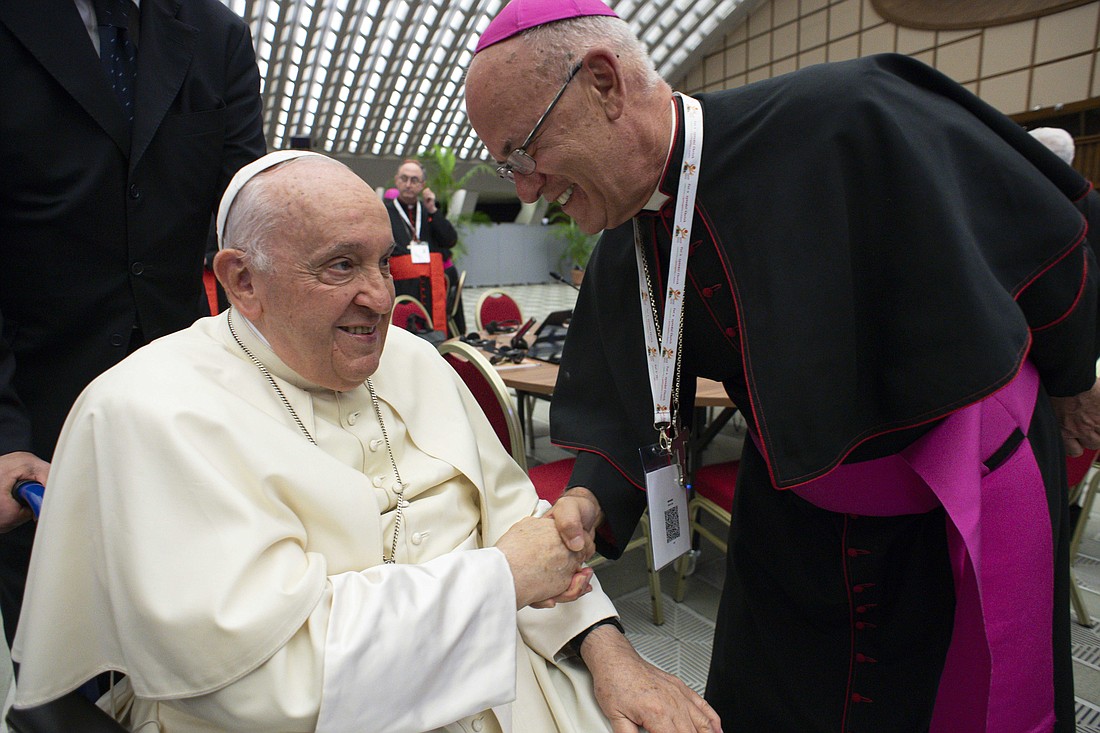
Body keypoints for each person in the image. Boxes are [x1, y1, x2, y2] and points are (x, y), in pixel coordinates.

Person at [464, 1, 1100, 731]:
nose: (525, 188)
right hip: (792, 519)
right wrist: (590, 498)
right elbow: (622, 407)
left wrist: (1076, 376)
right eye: (505, 165)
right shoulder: (623, 242)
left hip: (948, 502)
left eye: (522, 152)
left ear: (604, 83)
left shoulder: (853, 114)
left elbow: (1046, 241)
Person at [10, 151, 721, 733]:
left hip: (515, 684)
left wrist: (610, 652)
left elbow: (525, 532)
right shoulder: (145, 409)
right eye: (340, 265)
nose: (381, 298)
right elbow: (263, 684)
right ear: (242, 280)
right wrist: (497, 579)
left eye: (382, 261)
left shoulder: (414, 362)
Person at [0, 0, 266, 649]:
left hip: (189, 413)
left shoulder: (217, 33)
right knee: (66, 658)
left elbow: (251, 223)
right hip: (36, 422)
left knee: (198, 645)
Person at [385, 158, 466, 333]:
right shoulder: (384, 211)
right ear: (396, 180)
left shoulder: (427, 210)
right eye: (404, 178)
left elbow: (450, 240)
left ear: (422, 184)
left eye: (414, 180)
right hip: (402, 287)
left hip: (431, 287)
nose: (408, 184)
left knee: (433, 332)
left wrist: (433, 210)